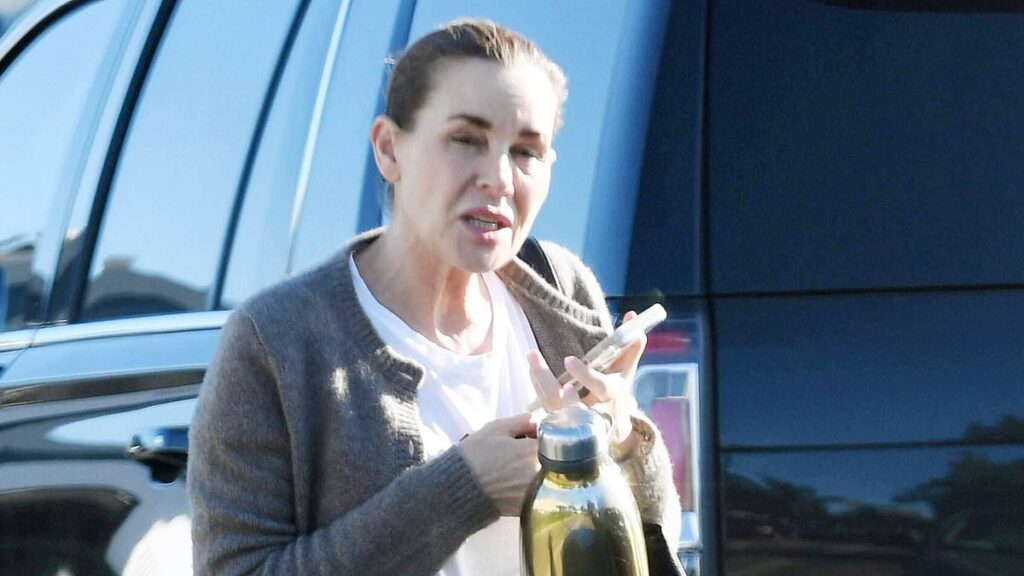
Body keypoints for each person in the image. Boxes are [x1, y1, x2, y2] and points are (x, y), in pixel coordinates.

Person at [188, 18, 681, 576]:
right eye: (467, 140)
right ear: (389, 149)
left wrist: (622, 442)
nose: (500, 178)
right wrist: (464, 489)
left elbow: (654, 545)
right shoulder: (276, 341)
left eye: (526, 151)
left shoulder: (562, 292)